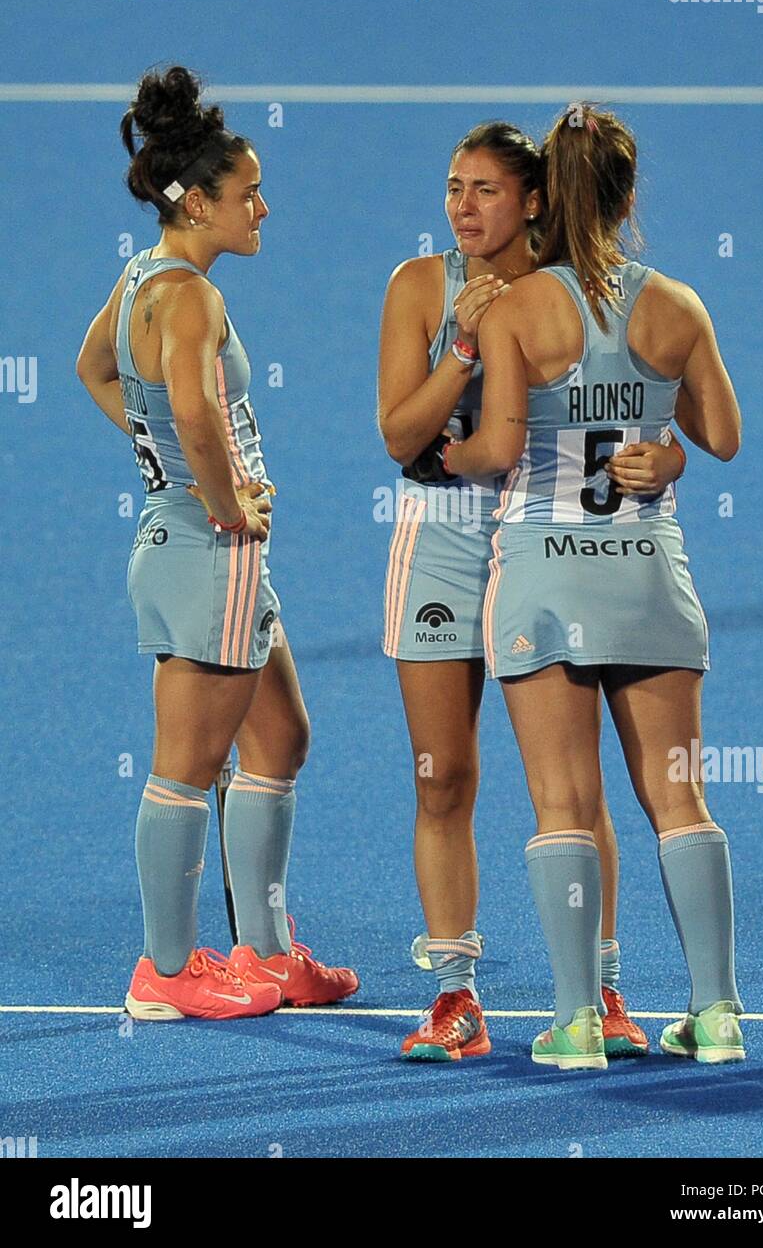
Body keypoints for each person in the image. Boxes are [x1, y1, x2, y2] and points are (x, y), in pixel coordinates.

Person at [438, 103, 744, 1069]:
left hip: (542, 574)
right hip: (648, 575)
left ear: (544, 197)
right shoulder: (677, 305)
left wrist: (438, 455)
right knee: (681, 800)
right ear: (626, 192)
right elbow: (721, 438)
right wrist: (664, 455)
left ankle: (576, 1023)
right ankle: (717, 1013)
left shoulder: (512, 307)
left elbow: (492, 452)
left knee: (562, 806)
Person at [378, 121, 685, 1060]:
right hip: (442, 548)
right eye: (453, 187)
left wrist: (663, 459)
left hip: (553, 554)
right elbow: (399, 436)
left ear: (536, 201)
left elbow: (648, 414)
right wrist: (463, 347)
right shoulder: (418, 285)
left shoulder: (577, 290)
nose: (461, 208)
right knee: (444, 779)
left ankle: (600, 992)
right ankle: (455, 997)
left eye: (484, 191)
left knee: (576, 790)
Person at [76, 65, 358, 1020]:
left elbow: (93, 368)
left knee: (279, 739)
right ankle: (165, 969)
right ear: (196, 202)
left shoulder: (141, 276)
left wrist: (169, 466)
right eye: (246, 196)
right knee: (185, 767)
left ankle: (267, 953)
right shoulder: (190, 298)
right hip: (210, 555)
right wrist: (229, 501)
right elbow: (194, 410)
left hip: (181, 546)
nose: (262, 209)